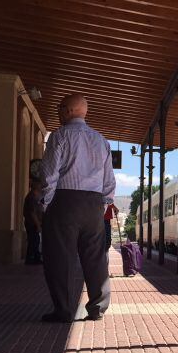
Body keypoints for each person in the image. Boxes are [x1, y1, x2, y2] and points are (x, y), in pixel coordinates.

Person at [39, 94, 116, 323]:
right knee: (95, 257)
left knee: (60, 257)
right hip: (93, 203)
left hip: (65, 201)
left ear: (67, 110)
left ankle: (63, 310)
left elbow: (49, 174)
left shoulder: (59, 135)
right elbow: (109, 180)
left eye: (59, 108)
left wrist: (46, 202)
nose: (57, 112)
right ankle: (97, 308)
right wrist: (102, 204)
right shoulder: (101, 140)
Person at [23, 179, 44, 264]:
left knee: (36, 240)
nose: (41, 186)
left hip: (34, 223)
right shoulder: (31, 197)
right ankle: (30, 259)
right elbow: (32, 213)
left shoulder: (36, 197)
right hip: (31, 223)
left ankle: (36, 258)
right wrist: (38, 225)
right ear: (35, 185)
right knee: (33, 241)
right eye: (39, 184)